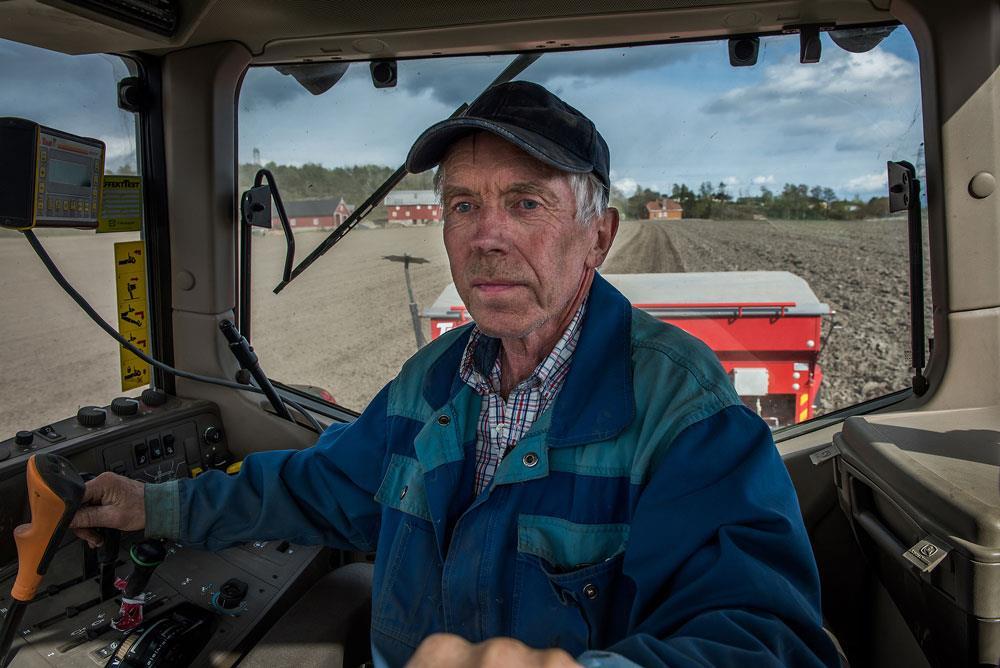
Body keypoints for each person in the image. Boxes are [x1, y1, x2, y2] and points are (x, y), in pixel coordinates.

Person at [71, 82, 839, 668]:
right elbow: (316, 490)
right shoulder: (431, 384)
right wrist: (159, 505)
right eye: (463, 205)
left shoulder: (680, 412)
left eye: (526, 202)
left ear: (597, 235)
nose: (487, 236)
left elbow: (769, 637)